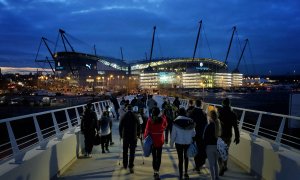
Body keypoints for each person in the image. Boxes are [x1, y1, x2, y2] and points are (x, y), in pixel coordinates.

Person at [170, 108, 195, 179]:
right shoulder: (190, 121)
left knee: (180, 159)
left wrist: (171, 143)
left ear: (178, 113)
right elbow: (193, 134)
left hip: (178, 142)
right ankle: (186, 173)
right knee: (186, 157)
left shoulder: (175, 121)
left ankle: (180, 174)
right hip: (188, 142)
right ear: (185, 113)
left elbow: (173, 134)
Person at [217, 98, 240, 176]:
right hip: (228, 136)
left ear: (223, 104)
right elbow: (236, 127)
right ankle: (225, 166)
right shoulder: (233, 114)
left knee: (219, 152)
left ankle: (221, 166)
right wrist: (237, 137)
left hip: (220, 136)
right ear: (229, 104)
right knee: (226, 151)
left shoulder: (219, 112)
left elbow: (215, 124)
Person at [144, 107, 167, 180]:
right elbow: (165, 125)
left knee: (154, 156)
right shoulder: (162, 119)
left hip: (152, 141)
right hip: (160, 140)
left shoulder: (150, 120)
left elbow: (147, 130)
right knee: (159, 156)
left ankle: (155, 171)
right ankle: (157, 170)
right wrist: (163, 116)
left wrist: (145, 137)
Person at [119, 105, 141, 173]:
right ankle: (131, 166)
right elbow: (139, 125)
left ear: (126, 109)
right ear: (132, 109)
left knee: (125, 151)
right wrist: (138, 134)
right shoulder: (135, 116)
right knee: (132, 152)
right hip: (133, 136)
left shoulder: (123, 115)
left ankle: (125, 165)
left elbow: (120, 126)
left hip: (125, 136)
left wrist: (121, 135)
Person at [188, 99, 208, 172]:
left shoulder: (192, 112)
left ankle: (197, 166)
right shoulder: (204, 113)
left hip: (194, 134)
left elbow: (190, 123)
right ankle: (201, 164)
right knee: (201, 149)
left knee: (195, 149)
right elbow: (206, 124)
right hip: (202, 134)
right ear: (201, 104)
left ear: (195, 104)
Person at [203, 109, 221, 180]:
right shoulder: (218, 125)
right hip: (217, 146)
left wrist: (204, 147)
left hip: (210, 147)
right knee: (216, 163)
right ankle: (217, 177)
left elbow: (205, 138)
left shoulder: (209, 126)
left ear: (210, 117)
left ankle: (213, 178)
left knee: (211, 164)